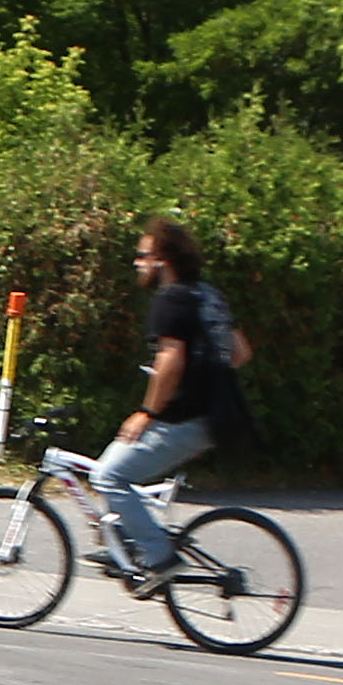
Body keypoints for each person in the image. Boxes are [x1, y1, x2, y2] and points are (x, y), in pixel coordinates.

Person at [98, 213, 251, 582]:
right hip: (213, 417)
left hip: (183, 420)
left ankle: (158, 557)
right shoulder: (208, 294)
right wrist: (207, 375)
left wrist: (147, 411)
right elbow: (241, 352)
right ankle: (128, 540)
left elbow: (170, 359)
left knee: (107, 476)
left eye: (143, 256)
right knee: (119, 462)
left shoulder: (171, 299)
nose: (138, 263)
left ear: (162, 261)